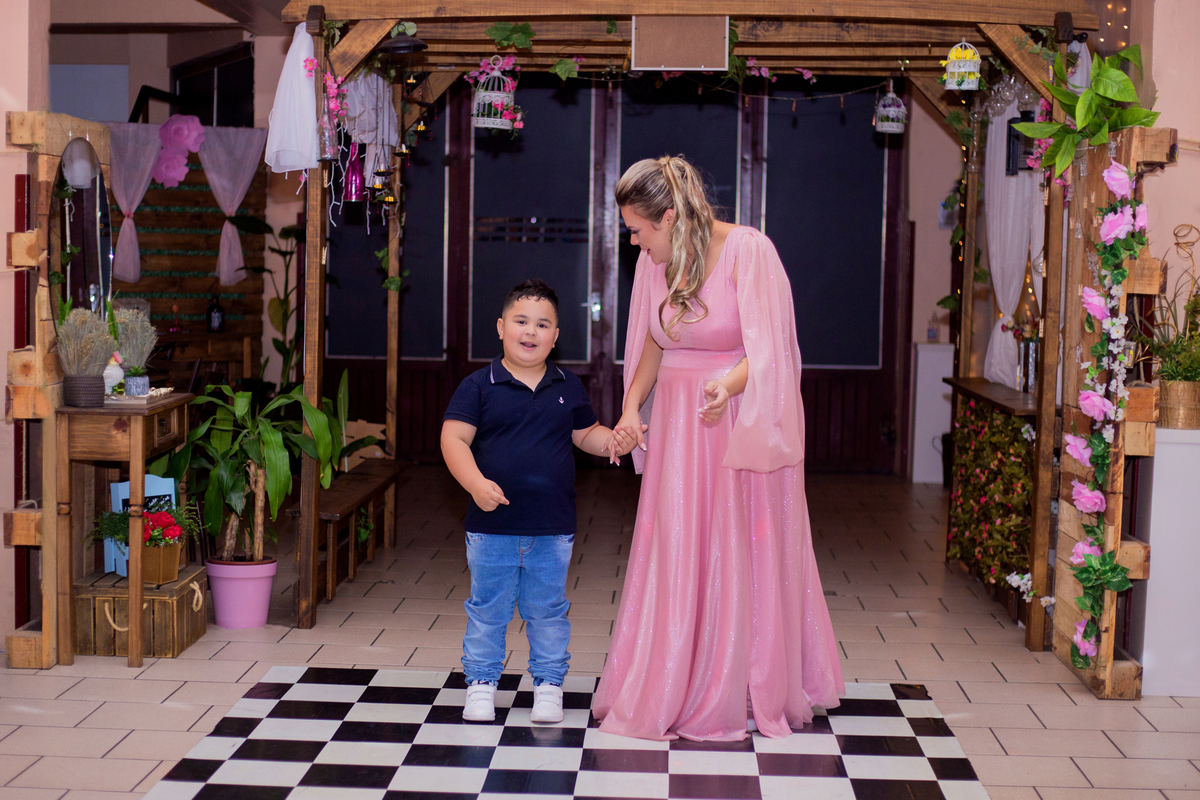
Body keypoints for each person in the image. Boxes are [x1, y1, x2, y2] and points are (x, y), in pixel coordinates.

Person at [592, 156, 844, 741]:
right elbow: (652, 345)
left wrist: (725, 385)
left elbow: (773, 348)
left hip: (734, 418)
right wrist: (632, 410)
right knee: (677, 545)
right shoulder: (653, 263)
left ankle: (738, 681)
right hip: (679, 425)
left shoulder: (751, 251)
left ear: (672, 216)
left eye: (638, 229)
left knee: (736, 546)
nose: (633, 241)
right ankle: (671, 672)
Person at [441, 279, 636, 724]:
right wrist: (474, 483)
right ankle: (481, 684)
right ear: (500, 327)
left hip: (552, 527)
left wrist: (614, 441)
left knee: (548, 611)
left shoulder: (568, 386)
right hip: (491, 528)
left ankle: (548, 685)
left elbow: (585, 434)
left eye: (542, 324)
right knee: (487, 610)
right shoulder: (479, 386)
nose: (531, 331)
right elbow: (453, 439)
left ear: (555, 335)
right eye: (521, 321)